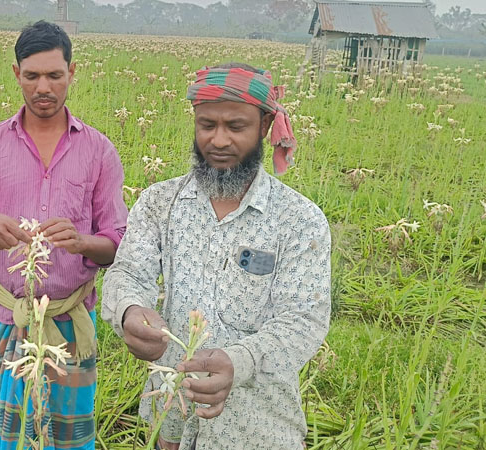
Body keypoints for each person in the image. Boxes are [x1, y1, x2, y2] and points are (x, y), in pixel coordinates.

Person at [101, 62, 331, 449]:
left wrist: (239, 361)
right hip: (172, 410)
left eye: (236, 127)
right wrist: (129, 310)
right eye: (207, 125)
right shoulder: (160, 202)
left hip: (255, 425)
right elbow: (128, 272)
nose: (219, 140)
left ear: (264, 125)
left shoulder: (299, 220)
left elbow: (303, 320)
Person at [0, 20, 128, 450]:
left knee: (70, 437)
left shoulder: (99, 151)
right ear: (16, 74)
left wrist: (82, 242)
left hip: (70, 322)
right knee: (7, 434)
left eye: (54, 75)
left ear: (71, 72)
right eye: (32, 75)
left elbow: (117, 240)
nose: (43, 88)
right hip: (6, 319)